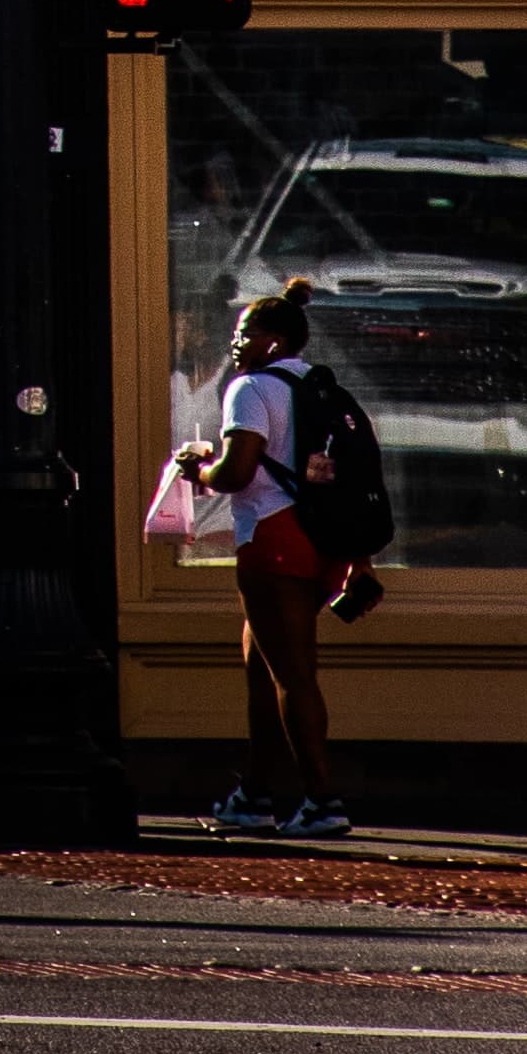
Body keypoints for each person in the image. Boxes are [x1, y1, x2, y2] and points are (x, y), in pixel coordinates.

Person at [185, 274, 378, 840]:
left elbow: (237, 471)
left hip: (271, 539)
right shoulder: (321, 389)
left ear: (272, 339)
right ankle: (255, 793)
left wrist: (196, 468)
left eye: (244, 333)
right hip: (320, 542)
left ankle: (322, 801)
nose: (235, 343)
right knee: (263, 671)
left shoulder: (250, 389)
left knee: (293, 676)